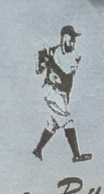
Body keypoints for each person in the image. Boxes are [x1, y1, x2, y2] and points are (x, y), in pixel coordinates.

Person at [32, 25, 89, 162]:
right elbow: (38, 62)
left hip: (63, 95)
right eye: (72, 38)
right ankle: (76, 155)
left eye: (75, 39)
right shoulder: (53, 51)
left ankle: (37, 150)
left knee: (53, 124)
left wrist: (50, 61)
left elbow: (65, 76)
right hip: (52, 92)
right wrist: (41, 64)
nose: (74, 41)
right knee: (68, 121)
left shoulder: (75, 57)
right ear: (64, 37)